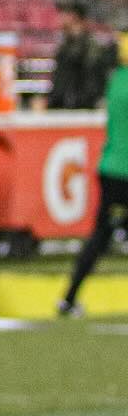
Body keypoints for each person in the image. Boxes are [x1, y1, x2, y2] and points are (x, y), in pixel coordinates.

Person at [60, 34, 128, 315]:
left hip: (110, 168)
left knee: (99, 237)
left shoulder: (117, 80)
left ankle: (69, 297)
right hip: (123, 169)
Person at [47, 2, 113, 109]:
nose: (59, 18)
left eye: (63, 13)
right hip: (64, 107)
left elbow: (93, 82)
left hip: (84, 109)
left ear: (73, 17)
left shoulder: (91, 47)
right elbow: (59, 82)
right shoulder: (64, 47)